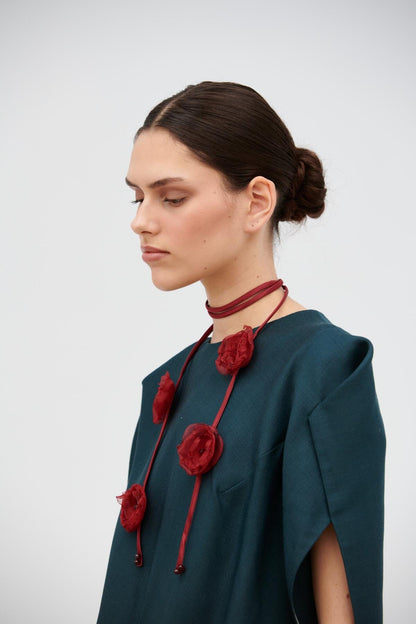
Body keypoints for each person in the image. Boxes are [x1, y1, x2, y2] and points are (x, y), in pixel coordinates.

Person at [97, 82, 385, 624]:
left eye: (171, 197)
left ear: (257, 201)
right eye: (138, 197)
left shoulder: (324, 369)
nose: (141, 220)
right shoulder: (166, 384)